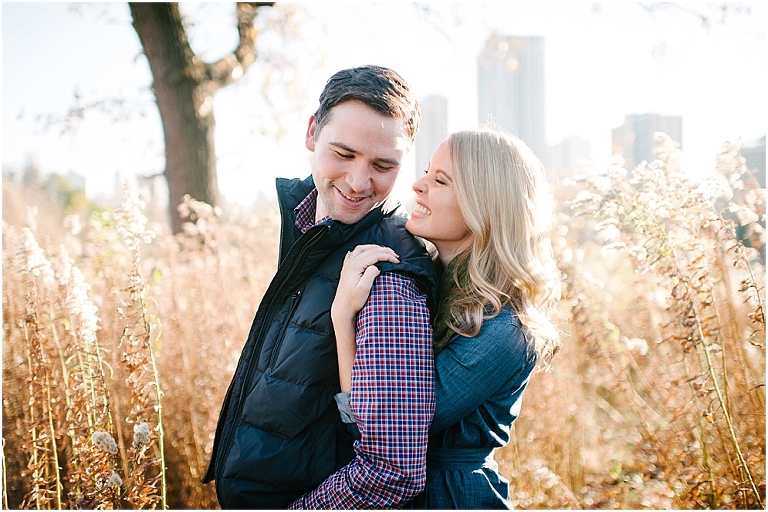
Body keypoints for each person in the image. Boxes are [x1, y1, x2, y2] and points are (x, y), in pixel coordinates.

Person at [203, 65, 439, 509]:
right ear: (312, 132)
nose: (357, 182)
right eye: (343, 154)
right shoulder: (307, 223)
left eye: (383, 165)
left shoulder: (387, 274)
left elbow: (392, 471)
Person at [326, 128, 562, 509]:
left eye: (440, 180)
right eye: (426, 172)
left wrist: (343, 320)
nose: (418, 186)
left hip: (452, 497)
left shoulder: (506, 330)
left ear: (483, 204)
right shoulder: (427, 285)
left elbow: (385, 426)